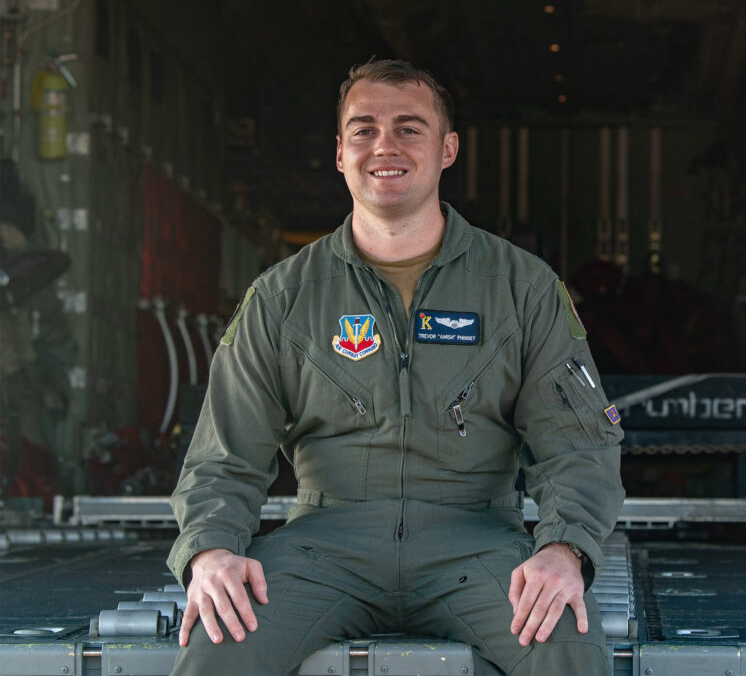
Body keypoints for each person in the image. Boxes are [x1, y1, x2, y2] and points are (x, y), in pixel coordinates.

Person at [168, 59, 625, 676]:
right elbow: (222, 455)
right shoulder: (283, 296)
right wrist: (212, 550)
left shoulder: (522, 287)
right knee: (220, 643)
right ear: (339, 153)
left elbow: (576, 445)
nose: (385, 145)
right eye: (364, 129)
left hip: (478, 541)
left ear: (447, 149)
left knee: (566, 640)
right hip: (324, 544)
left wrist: (565, 549)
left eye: (410, 128)